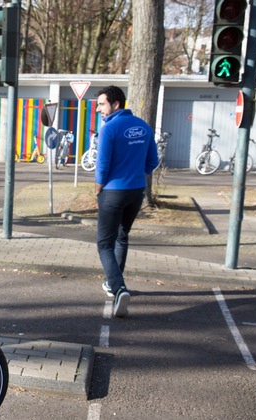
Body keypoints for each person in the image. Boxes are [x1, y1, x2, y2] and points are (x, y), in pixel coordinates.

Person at [94, 85, 158, 317]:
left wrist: (98, 187)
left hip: (112, 191)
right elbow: (153, 161)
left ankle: (119, 288)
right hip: (136, 191)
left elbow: (102, 163)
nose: (99, 109)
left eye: (102, 104)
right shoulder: (143, 126)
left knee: (104, 243)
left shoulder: (109, 129)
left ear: (116, 104)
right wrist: (137, 176)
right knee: (121, 236)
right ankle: (114, 283)